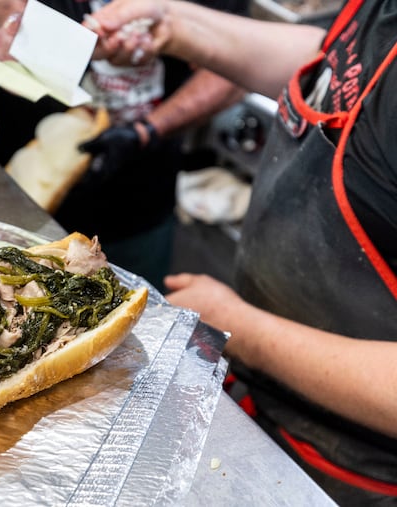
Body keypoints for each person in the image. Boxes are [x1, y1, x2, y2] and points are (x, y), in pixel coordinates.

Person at [84, 0, 397, 504]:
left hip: (353, 478)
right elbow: (326, 59)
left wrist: (240, 328)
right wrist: (175, 26)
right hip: (269, 416)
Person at [0, 0, 246, 292]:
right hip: (19, 203)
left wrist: (148, 130)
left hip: (138, 202)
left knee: (136, 315)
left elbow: (236, 62)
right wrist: (11, 23)